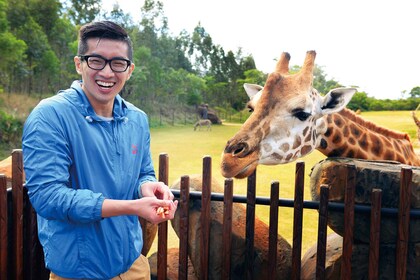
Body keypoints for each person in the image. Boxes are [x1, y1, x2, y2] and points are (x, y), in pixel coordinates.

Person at [22, 21, 178, 279]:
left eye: (118, 63)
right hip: (78, 271)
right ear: (78, 63)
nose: (107, 72)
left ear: (129, 70)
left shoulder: (137, 119)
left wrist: (147, 186)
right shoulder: (50, 116)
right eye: (96, 60)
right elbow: (48, 198)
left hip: (132, 264)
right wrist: (131, 207)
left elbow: (144, 172)